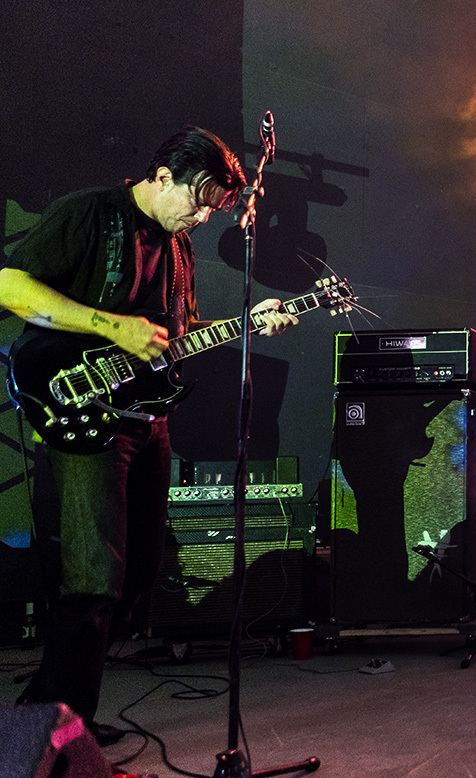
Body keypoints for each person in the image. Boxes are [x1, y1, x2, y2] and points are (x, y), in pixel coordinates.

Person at [0, 126, 298, 742]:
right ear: (162, 178)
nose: (199, 217)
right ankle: (60, 726)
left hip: (146, 418)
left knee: (137, 573)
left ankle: (48, 710)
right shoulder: (89, 213)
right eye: (195, 201)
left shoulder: (179, 249)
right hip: (82, 405)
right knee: (93, 576)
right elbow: (10, 286)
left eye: (211, 209)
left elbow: (176, 333)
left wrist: (246, 323)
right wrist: (112, 328)